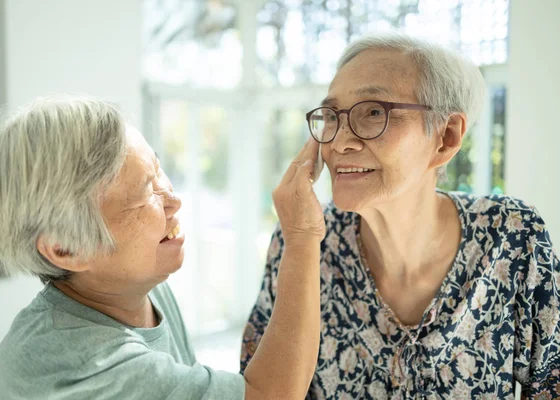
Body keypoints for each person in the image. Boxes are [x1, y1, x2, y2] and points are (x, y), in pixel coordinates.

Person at [240, 32, 560, 399]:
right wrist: (299, 239)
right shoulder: (301, 239)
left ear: (447, 137)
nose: (339, 141)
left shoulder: (513, 236)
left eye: (374, 111)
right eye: (331, 116)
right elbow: (257, 390)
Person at [0, 96, 326, 399]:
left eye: (158, 170)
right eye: (145, 192)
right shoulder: (75, 364)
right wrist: (302, 236)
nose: (173, 200)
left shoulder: (141, 290)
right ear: (66, 248)